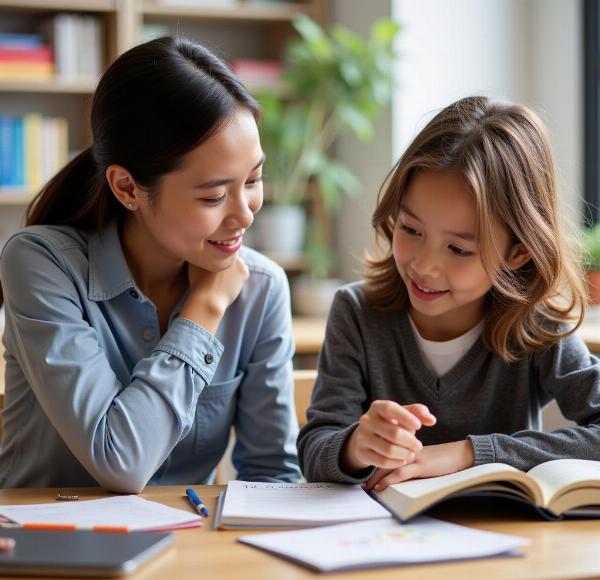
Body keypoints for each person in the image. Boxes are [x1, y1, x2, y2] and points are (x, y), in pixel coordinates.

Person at [0, 37, 301, 492]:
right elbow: (118, 461)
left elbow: (273, 475)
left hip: (187, 549)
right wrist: (204, 308)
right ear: (127, 188)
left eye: (254, 179)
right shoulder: (41, 263)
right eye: (214, 195)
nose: (245, 213)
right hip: (47, 546)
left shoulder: (261, 287)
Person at [298, 95, 600, 490]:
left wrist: (468, 454)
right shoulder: (357, 312)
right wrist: (356, 446)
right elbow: (315, 448)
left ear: (518, 252)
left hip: (506, 539)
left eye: (458, 249)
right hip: (384, 539)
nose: (424, 265)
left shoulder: (536, 324)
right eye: (410, 230)